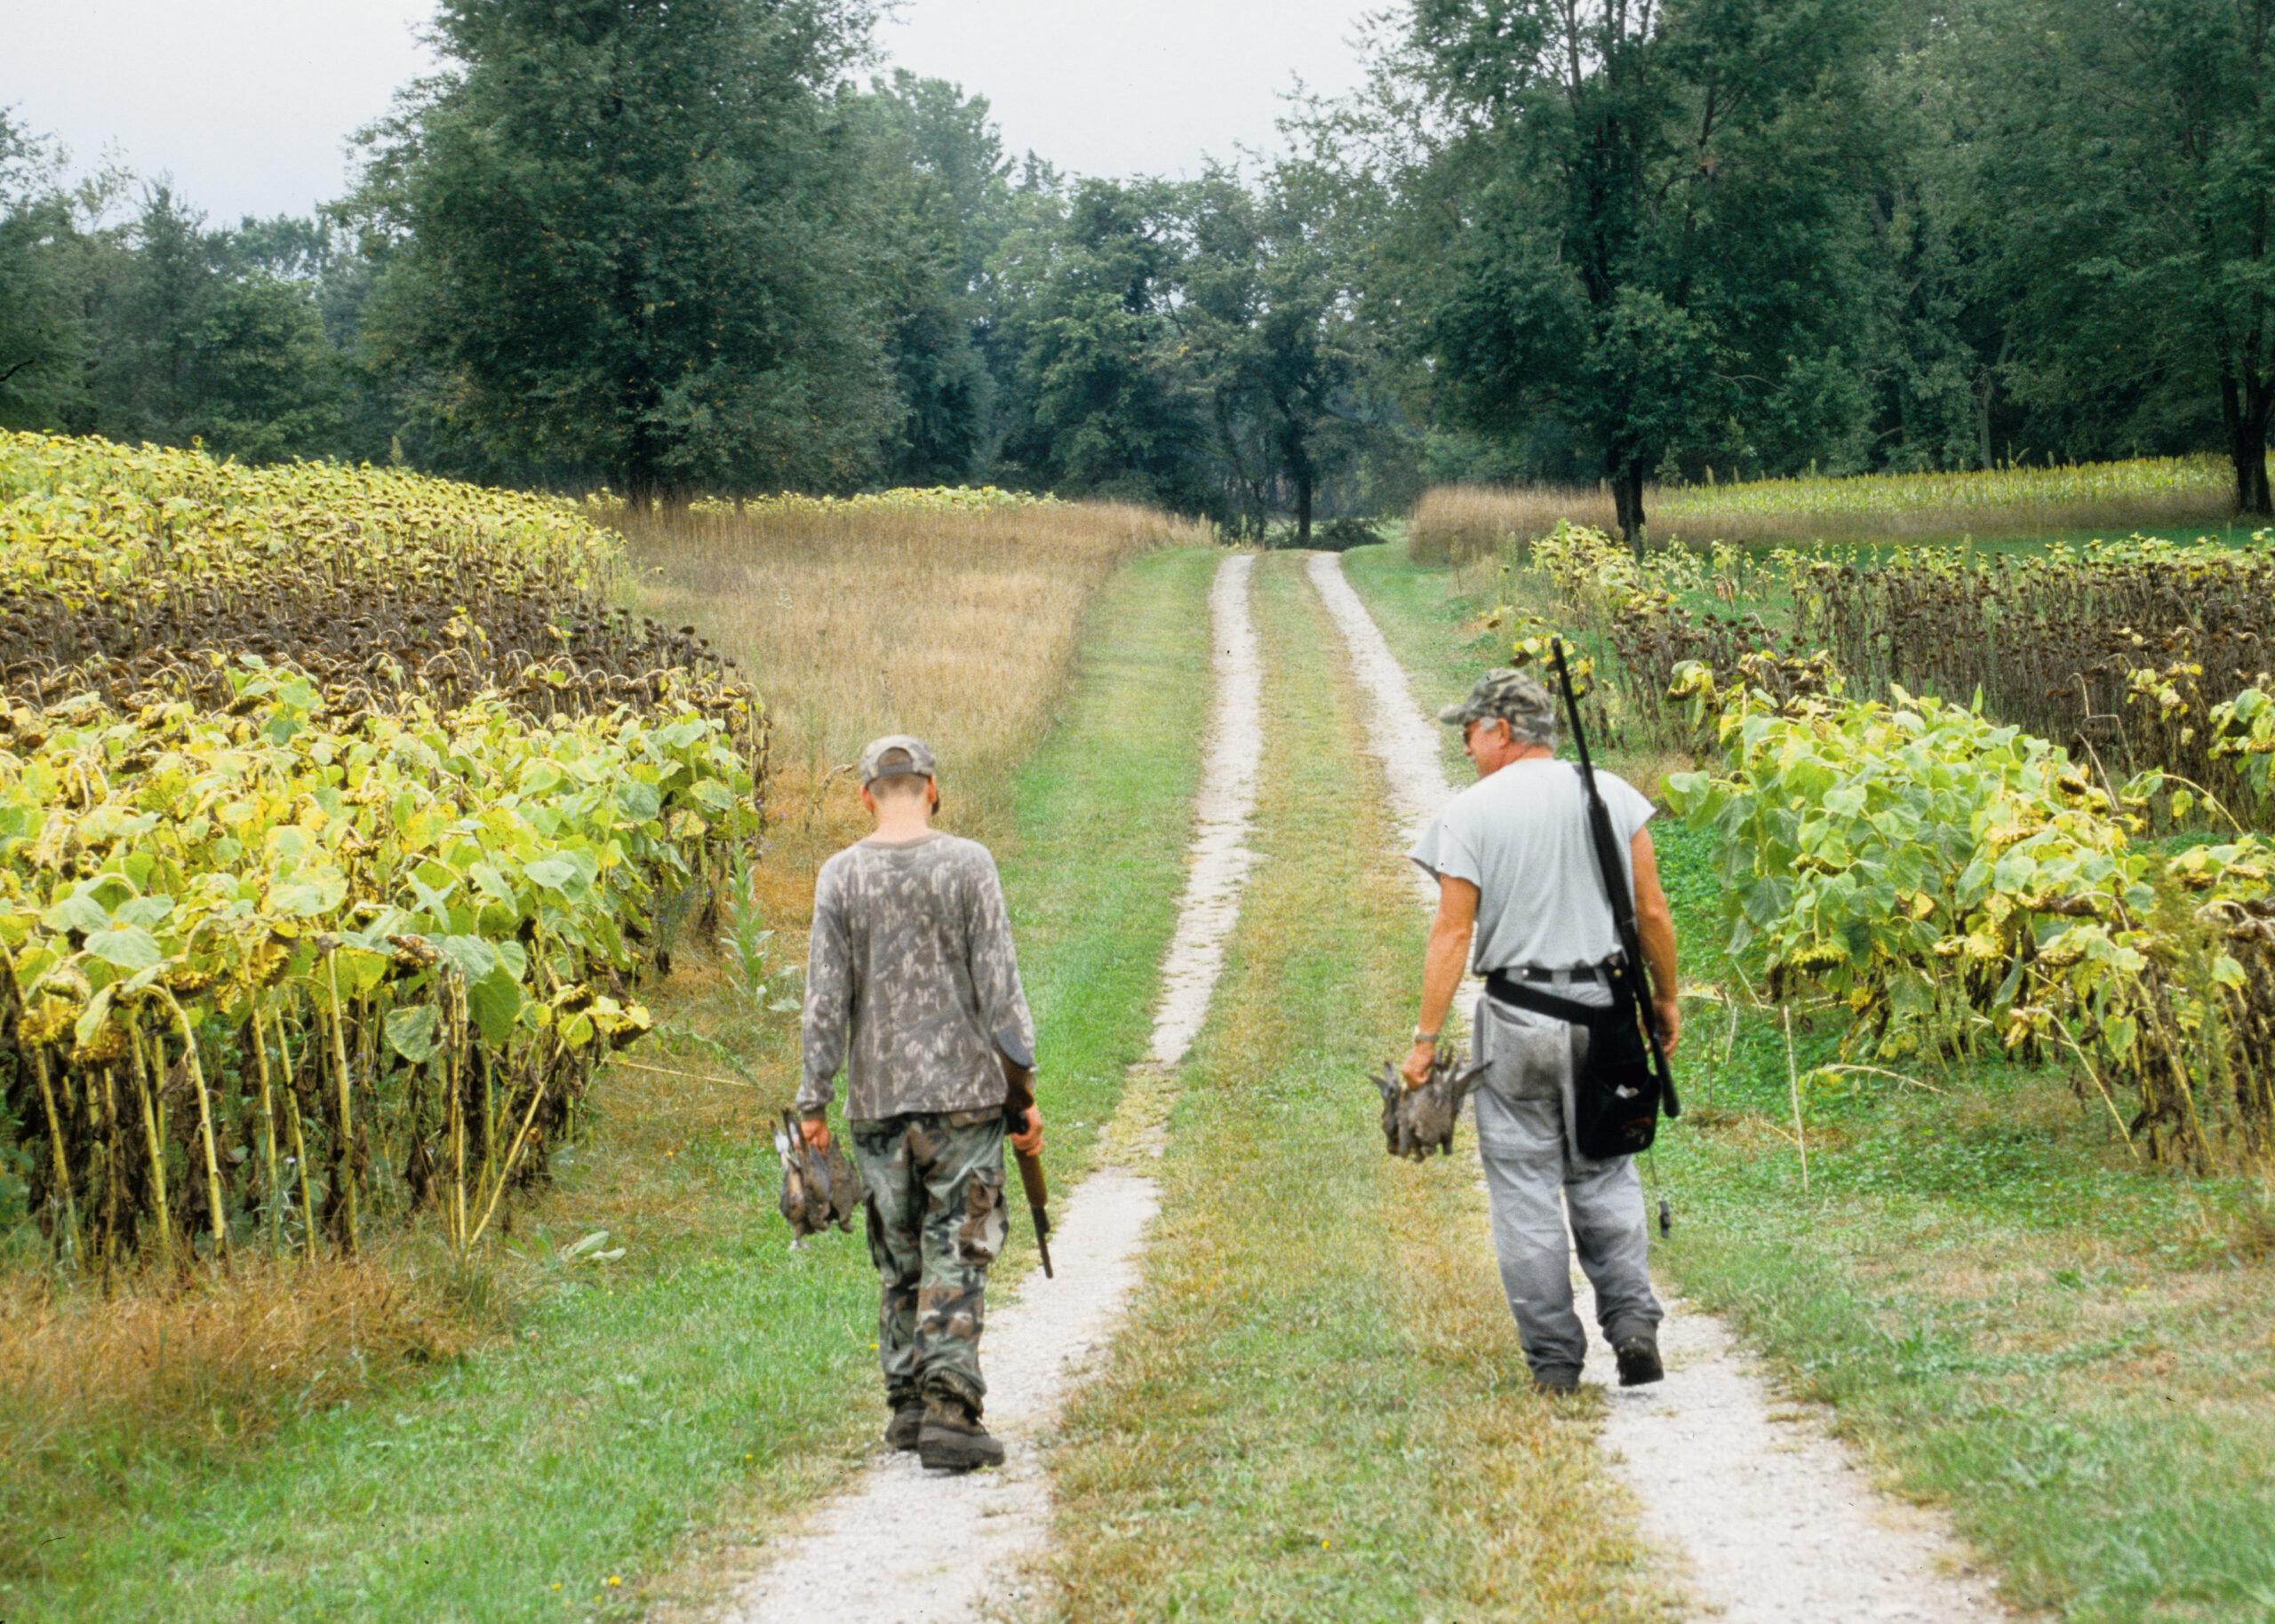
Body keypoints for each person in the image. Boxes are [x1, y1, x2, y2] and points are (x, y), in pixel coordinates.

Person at [1401, 669, 1681, 1394]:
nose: (1465, 747)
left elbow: (1450, 933)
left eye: (1468, 731)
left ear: (1501, 731)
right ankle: (1633, 1328)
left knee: (1523, 1188)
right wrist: (1667, 999)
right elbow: (1651, 913)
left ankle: (1556, 1362)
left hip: (1516, 1015)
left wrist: (1425, 1041)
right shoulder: (1612, 793)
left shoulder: (1469, 814)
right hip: (1606, 1009)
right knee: (1606, 1170)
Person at [797, 734, 1043, 1471]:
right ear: (932, 789)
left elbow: (823, 1003)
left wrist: (813, 1101)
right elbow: (1001, 990)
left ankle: (905, 1405)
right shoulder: (969, 864)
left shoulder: (839, 876)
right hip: (964, 1101)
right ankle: (949, 1408)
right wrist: (1023, 1093)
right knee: (958, 1246)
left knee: (899, 1251)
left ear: (866, 794)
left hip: (876, 1106)